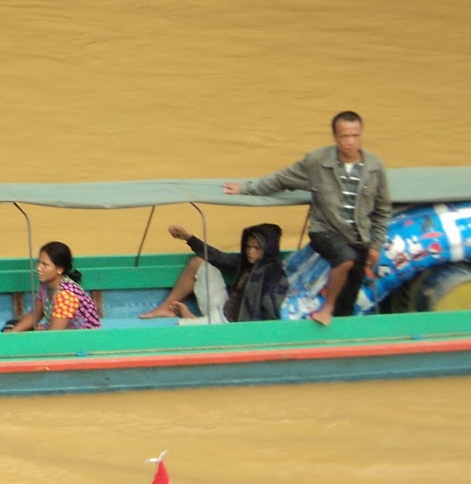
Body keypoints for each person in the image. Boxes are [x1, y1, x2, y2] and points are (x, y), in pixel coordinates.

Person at [225, 111, 391, 326]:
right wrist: (246, 188)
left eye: (355, 136)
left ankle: (338, 334)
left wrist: (376, 245)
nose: (351, 142)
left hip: (358, 236)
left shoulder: (375, 167)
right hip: (325, 230)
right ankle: (326, 309)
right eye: (345, 136)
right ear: (335, 137)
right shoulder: (317, 162)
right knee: (345, 259)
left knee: (349, 295)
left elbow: (382, 209)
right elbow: (282, 179)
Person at [140, 223, 288, 323]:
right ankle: (167, 308)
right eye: (248, 246)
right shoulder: (245, 261)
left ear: (268, 250)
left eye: (257, 248)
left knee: (183, 328)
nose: (250, 251)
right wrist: (189, 238)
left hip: (232, 326)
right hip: (223, 309)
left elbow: (272, 313)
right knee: (198, 262)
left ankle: (194, 320)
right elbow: (219, 258)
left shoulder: (273, 275)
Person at [5, 241, 101, 332]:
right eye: (39, 262)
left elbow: (54, 336)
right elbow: (36, 315)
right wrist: (13, 333)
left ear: (59, 269)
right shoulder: (44, 285)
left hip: (80, 341)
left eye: (45, 265)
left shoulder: (65, 296)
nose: (38, 268)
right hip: (58, 332)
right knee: (10, 326)